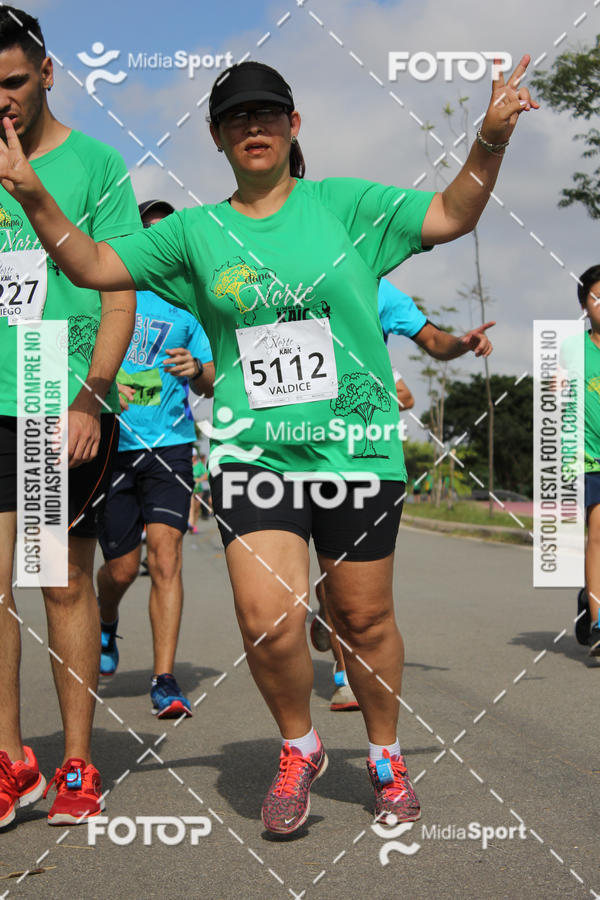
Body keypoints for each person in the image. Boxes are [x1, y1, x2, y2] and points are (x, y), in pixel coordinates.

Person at [0, 56, 537, 833]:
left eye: (268, 115)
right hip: (256, 455)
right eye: (237, 119)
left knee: (362, 619)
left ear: (293, 126)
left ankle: (385, 753)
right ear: (218, 138)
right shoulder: (191, 231)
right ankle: (300, 745)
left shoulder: (348, 207)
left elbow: (453, 213)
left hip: (353, 453)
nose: (254, 128)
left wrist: (488, 140)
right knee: (268, 619)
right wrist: (32, 195)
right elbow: (90, 263)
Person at [0, 6, 141, 828]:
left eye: (15, 83)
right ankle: (14, 761)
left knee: (60, 582)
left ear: (47, 74)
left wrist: (93, 392)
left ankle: (78, 762)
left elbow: (119, 287)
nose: (3, 101)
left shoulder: (95, 164)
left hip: (61, 405)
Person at [311, 278, 495, 711]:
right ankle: (327, 616)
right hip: (299, 446)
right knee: (325, 577)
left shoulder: (378, 288)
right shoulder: (291, 275)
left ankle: (345, 674)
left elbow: (432, 341)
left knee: (344, 577)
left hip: (360, 458)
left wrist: (461, 344)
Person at [96, 199, 214, 718]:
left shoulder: (191, 304)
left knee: (166, 558)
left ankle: (164, 680)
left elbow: (214, 376)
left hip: (170, 445)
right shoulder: (112, 294)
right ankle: (104, 623)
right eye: (151, 237)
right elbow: (81, 349)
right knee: (121, 571)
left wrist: (196, 369)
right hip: (112, 446)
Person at [568, 265, 600, 655]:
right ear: (584, 305)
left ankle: (588, 597)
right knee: (598, 536)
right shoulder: (573, 351)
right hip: (593, 459)